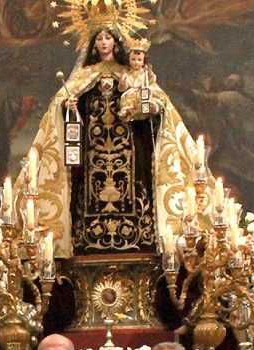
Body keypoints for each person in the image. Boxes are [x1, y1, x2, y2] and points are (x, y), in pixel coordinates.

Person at [19, 25, 205, 259]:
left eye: (108, 38)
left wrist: (147, 107)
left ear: (116, 43)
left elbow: (157, 105)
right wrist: (70, 107)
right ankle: (87, 236)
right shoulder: (85, 76)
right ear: (94, 45)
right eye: (99, 39)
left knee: (134, 186)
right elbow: (64, 105)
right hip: (93, 148)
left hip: (130, 147)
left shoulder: (131, 74)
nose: (104, 42)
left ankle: (139, 234)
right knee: (89, 189)